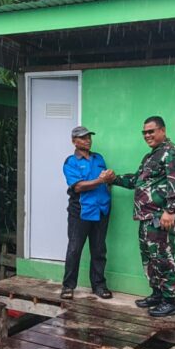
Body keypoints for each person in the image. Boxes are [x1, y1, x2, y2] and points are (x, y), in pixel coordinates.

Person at [102, 116, 175, 317]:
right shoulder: (151, 156)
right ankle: (158, 294)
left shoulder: (173, 152)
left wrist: (171, 210)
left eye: (151, 131)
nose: (147, 135)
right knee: (150, 258)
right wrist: (114, 179)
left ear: (162, 130)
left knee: (163, 256)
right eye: (145, 132)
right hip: (146, 216)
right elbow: (136, 181)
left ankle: (171, 302)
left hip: (161, 216)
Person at [61, 126, 113, 300]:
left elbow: (106, 181)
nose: (88, 140)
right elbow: (78, 186)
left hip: (101, 210)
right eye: (83, 138)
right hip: (81, 211)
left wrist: (109, 178)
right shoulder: (71, 162)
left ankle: (99, 285)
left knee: (99, 250)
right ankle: (68, 286)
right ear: (74, 141)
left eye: (89, 137)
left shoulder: (99, 158)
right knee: (74, 249)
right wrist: (100, 180)